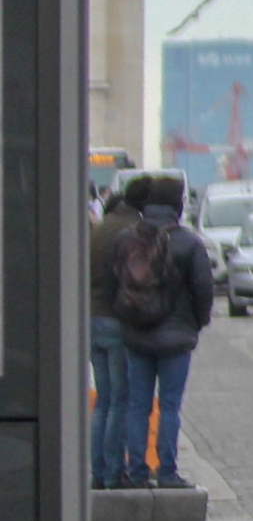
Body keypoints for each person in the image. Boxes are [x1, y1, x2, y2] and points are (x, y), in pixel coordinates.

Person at [108, 175, 215, 489]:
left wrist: (127, 318)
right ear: (177, 206)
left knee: (138, 406)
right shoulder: (189, 243)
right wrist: (196, 323)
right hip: (176, 338)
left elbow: (113, 284)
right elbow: (203, 289)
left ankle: (138, 471)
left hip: (136, 335)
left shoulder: (126, 239)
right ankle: (167, 471)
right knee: (169, 406)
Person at [86, 179, 139, 488]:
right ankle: (114, 472)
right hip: (116, 321)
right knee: (120, 400)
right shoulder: (129, 231)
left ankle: (98, 471)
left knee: (103, 401)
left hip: (92, 320)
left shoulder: (98, 229)